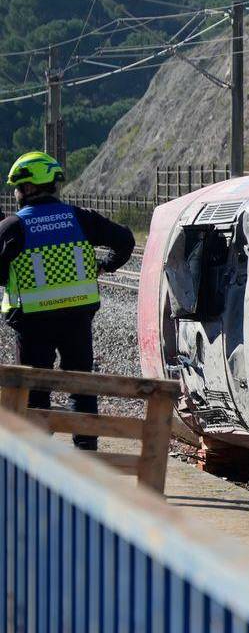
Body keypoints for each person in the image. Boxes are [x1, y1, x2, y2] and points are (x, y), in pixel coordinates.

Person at [0, 151, 134, 449]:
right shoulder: (81, 219)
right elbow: (125, 240)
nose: (16, 193)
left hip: (32, 323)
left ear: (29, 187)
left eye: (17, 188)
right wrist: (105, 265)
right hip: (77, 319)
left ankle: (39, 459)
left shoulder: (13, 227)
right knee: (81, 386)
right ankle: (86, 455)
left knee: (35, 392)